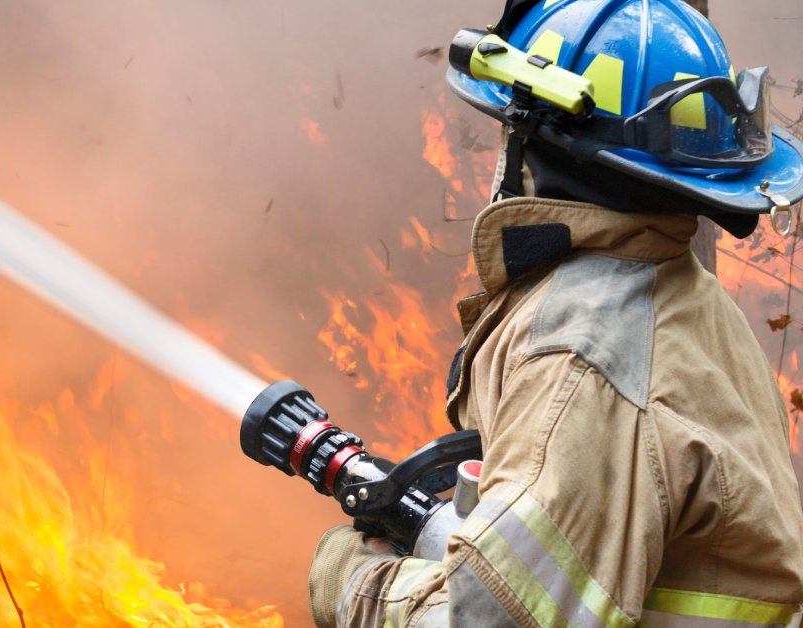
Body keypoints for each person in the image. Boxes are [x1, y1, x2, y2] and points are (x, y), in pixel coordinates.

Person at [307, 0, 803, 626]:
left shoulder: (579, 357)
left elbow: (484, 621)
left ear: (534, 143)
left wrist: (354, 582)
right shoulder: (682, 297)